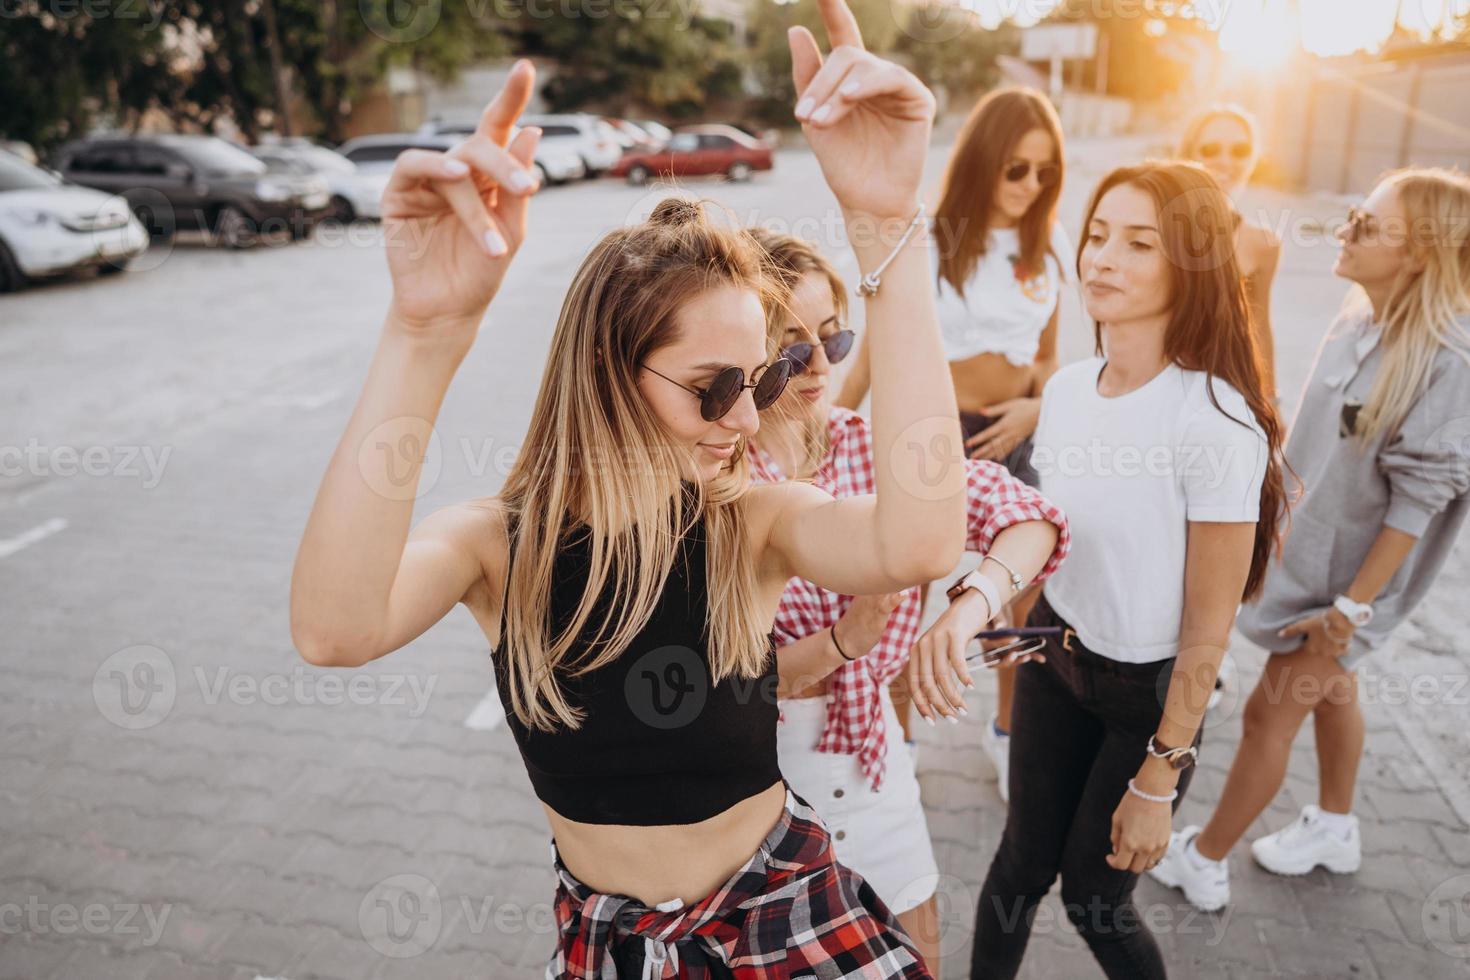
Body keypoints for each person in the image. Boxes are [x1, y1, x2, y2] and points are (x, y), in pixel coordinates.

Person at [288, 2, 968, 972]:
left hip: (786, 915)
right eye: (714, 387)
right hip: (612, 940)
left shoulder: (752, 523)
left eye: (762, 379)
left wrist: (887, 226)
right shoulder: (497, 544)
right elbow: (332, 629)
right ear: (608, 372)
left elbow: (919, 542)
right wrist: (422, 331)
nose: (746, 418)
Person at [952, 161, 1288, 980]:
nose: (1100, 259)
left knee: (1093, 903)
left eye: (1139, 244)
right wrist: (998, 625)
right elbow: (1058, 535)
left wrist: (1159, 776)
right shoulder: (1066, 391)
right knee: (1018, 869)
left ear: (1192, 265)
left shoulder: (1216, 422)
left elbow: (1211, 628)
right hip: (1053, 658)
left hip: (1151, 696)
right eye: (1097, 236)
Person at [744, 227, 1071, 974]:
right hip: (763, 768)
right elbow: (731, 678)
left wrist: (965, 610)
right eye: (789, 347)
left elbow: (1028, 516)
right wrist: (844, 642)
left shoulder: (872, 445)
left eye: (833, 335)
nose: (821, 363)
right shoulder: (721, 482)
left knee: (916, 944)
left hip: (875, 749)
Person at [1150, 167, 1470, 912]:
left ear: (1419, 253)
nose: (1346, 229)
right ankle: (1334, 824)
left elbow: (1419, 503)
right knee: (1333, 693)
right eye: (1353, 212)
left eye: (1368, 225)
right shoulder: (1360, 317)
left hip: (1348, 590)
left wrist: (1349, 614)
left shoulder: (1448, 361)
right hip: (1310, 564)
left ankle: (1204, 859)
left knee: (1269, 714)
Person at [835, 87, 1071, 799]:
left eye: (1044, 172)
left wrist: (1037, 403)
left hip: (1014, 435)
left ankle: (1005, 733)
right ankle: (896, 736)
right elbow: (878, 350)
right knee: (901, 590)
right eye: (1015, 170)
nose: (1030, 187)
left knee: (1021, 601)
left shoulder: (1050, 246)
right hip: (931, 440)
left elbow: (1049, 357)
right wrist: (829, 428)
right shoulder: (928, 237)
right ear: (981, 164)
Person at [1179, 105, 1283, 400]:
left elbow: (1259, 329)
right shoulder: (1152, 226)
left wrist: (1270, 401)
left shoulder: (1263, 244)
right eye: (1210, 149)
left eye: (1240, 150)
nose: (1226, 161)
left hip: (1220, 394)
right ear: (1189, 154)